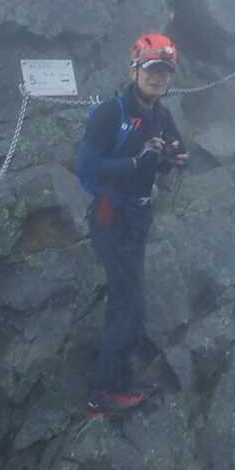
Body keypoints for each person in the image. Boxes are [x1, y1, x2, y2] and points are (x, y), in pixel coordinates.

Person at [74, 33, 189, 413]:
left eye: (165, 72)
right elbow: (85, 166)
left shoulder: (161, 116)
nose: (158, 77)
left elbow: (175, 152)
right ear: (134, 71)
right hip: (111, 215)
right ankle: (105, 391)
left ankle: (115, 381)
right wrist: (134, 163)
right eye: (152, 69)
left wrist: (174, 158)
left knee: (126, 301)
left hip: (138, 216)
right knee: (130, 305)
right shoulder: (110, 113)